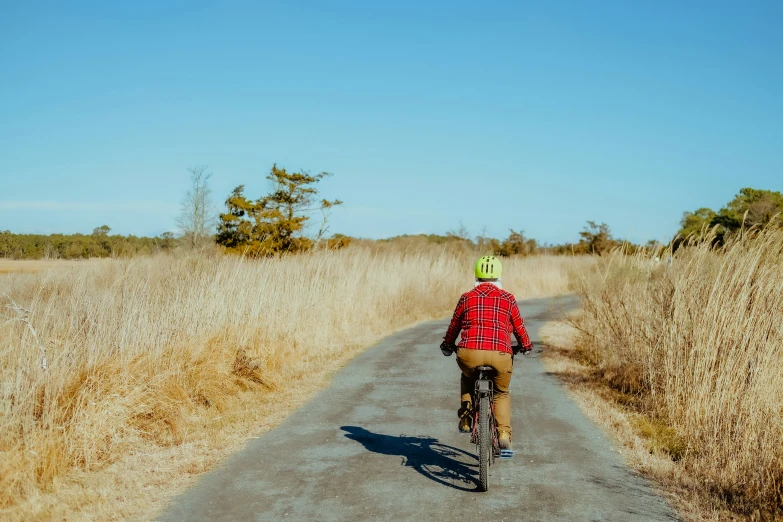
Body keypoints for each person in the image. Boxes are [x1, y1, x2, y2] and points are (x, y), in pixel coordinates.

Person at [440, 255, 533, 450]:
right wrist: (525, 345)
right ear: (499, 275)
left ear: (476, 275)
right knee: (500, 393)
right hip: (500, 354)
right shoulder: (508, 298)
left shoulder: (466, 297)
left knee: (467, 376)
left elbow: (454, 326)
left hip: (469, 354)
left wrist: (448, 344)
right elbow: (519, 328)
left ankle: (466, 419)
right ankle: (504, 434)